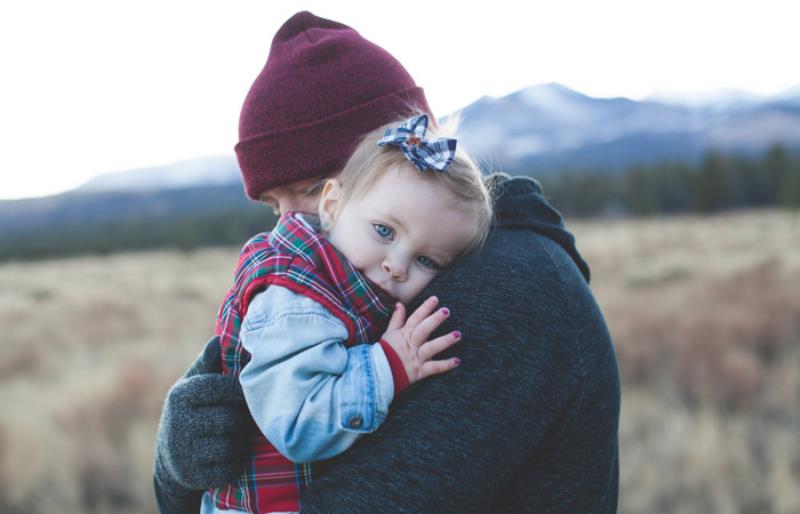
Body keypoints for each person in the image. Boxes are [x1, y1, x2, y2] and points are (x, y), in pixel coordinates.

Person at [154, 10, 620, 514]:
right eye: (274, 206)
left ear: (402, 159)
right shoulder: (344, 287)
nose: (288, 227)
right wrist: (176, 462)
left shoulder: (504, 291)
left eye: (311, 191)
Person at [203, 112, 493, 513]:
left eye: (426, 259)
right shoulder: (294, 296)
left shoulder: (350, 284)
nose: (397, 265)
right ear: (332, 204)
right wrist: (388, 364)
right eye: (384, 231)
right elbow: (299, 424)